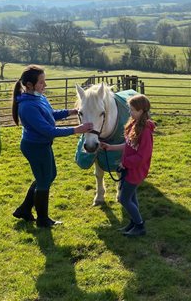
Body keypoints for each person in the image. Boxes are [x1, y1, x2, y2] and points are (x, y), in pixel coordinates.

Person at [11, 65, 93, 228]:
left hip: (42, 145)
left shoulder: (39, 97)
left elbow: (50, 114)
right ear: (29, 85)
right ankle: (42, 219)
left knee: (49, 175)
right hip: (34, 147)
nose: (45, 85)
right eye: (41, 82)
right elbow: (47, 130)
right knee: (43, 180)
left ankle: (24, 209)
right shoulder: (27, 106)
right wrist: (76, 130)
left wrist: (71, 111)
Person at [100, 94, 155, 237]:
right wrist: (111, 148)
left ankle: (140, 226)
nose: (129, 112)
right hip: (129, 169)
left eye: (132, 110)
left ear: (142, 111)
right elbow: (129, 145)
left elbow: (142, 156)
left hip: (135, 171)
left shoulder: (145, 131)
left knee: (124, 199)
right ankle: (134, 222)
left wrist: (125, 163)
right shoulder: (134, 124)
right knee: (131, 197)